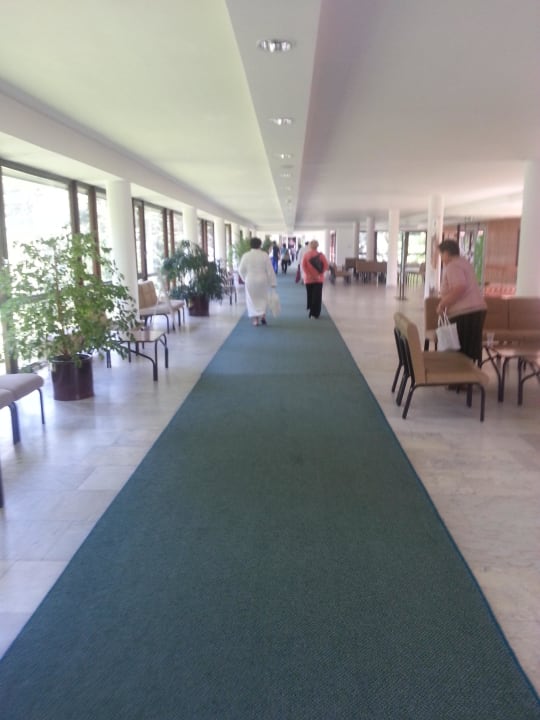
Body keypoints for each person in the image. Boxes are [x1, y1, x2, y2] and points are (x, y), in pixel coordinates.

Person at [436, 239, 487, 364]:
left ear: (446, 253)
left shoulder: (453, 266)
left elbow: (459, 287)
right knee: (469, 350)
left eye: (441, 254)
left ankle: (460, 374)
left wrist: (443, 304)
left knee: (461, 351)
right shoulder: (464, 263)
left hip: (465, 313)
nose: (441, 258)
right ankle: (467, 373)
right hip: (476, 310)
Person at [238, 237, 276, 326]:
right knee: (263, 298)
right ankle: (263, 316)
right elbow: (270, 270)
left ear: (250, 245)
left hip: (250, 280)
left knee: (251, 299)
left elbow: (240, 270)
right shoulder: (264, 255)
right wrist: (272, 282)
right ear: (260, 245)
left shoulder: (246, 255)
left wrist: (244, 278)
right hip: (262, 280)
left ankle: (255, 320)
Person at [301, 239, 329, 319]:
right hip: (318, 279)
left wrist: (309, 274)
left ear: (310, 246)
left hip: (308, 279)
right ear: (317, 246)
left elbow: (303, 266)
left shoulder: (306, 255)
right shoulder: (321, 255)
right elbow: (326, 266)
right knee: (317, 296)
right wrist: (319, 274)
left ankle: (311, 311)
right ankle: (315, 313)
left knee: (310, 295)